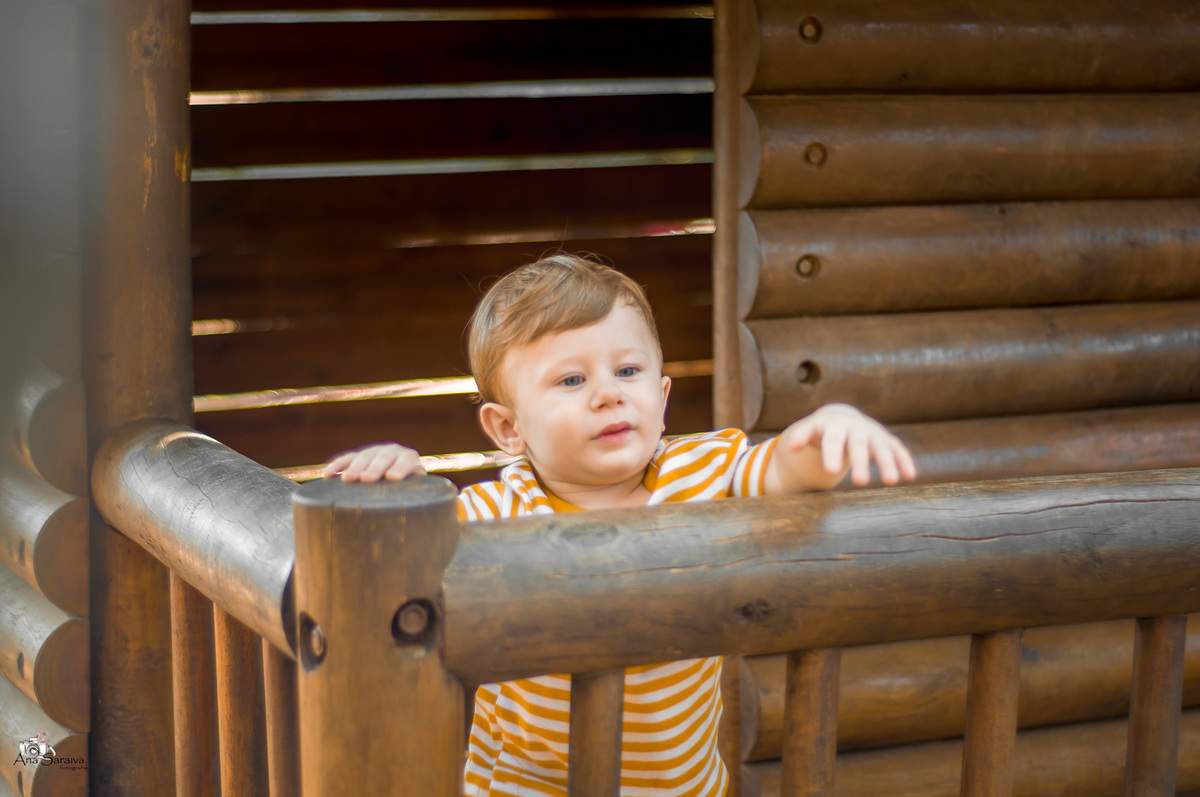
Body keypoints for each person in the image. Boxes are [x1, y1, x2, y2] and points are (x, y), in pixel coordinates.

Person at [323, 253, 917, 797]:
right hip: (525, 790)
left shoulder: (701, 474)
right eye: (571, 381)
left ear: (661, 396)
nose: (608, 394)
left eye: (628, 371)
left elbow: (782, 470)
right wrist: (397, 489)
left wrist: (826, 432)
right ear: (509, 429)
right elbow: (398, 560)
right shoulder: (501, 510)